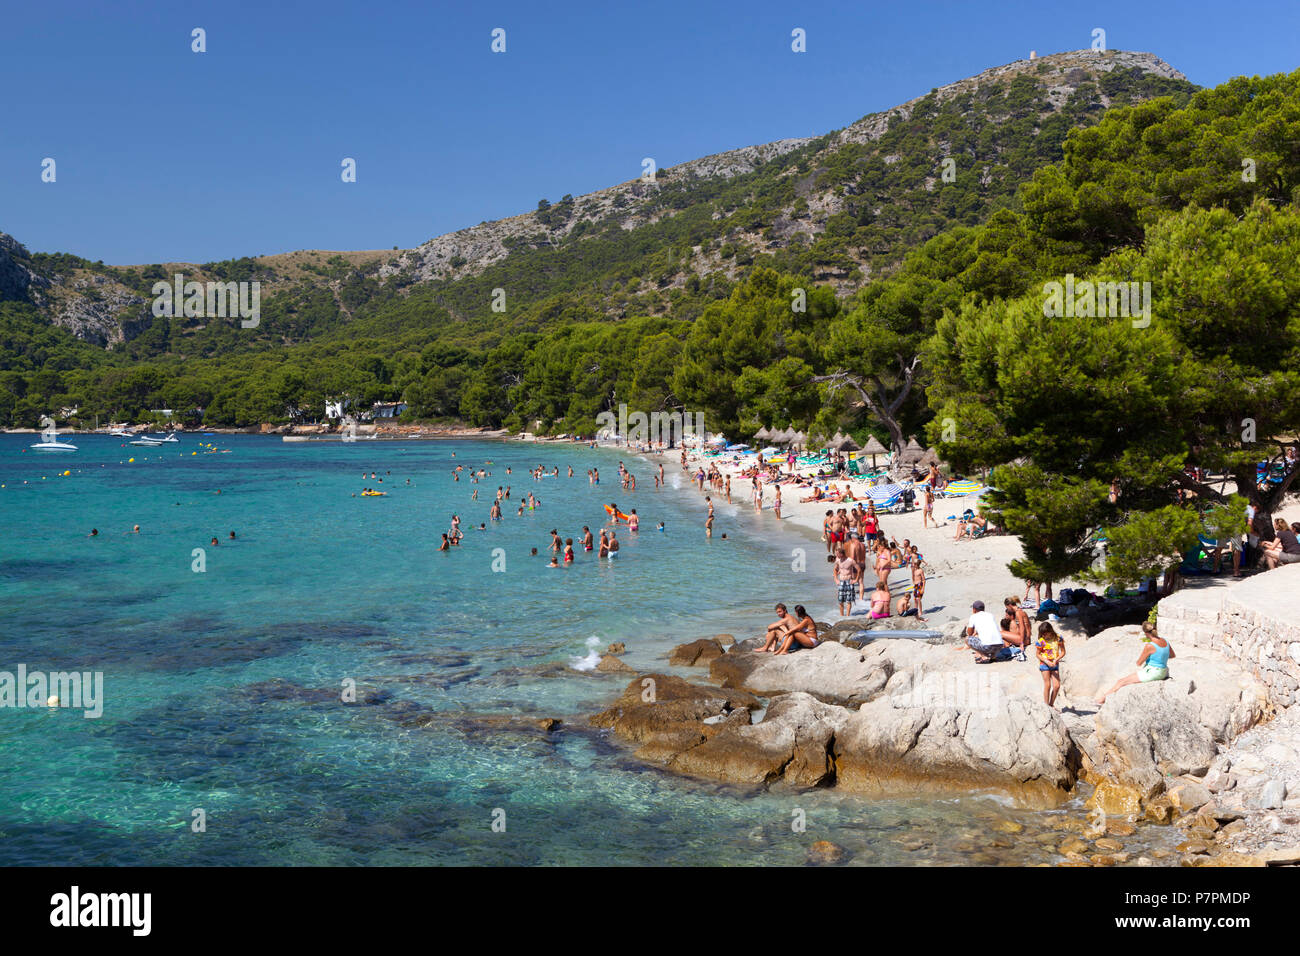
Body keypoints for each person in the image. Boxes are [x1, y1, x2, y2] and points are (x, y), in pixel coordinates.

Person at [1096, 621, 1174, 705]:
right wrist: (1159, 657)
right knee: (1122, 681)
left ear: (1146, 633)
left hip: (1153, 672)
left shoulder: (1150, 645)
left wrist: (1150, 656)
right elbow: (1172, 655)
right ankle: (1102, 699)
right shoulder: (1165, 641)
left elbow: (1139, 663)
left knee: (1121, 682)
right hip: (1164, 671)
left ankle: (1101, 700)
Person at [1035, 622, 1066, 707]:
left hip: (1054, 663)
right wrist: (1046, 661)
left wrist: (1056, 659)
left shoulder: (1058, 639)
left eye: (1045, 634)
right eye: (1042, 634)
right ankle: (1046, 706)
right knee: (1047, 685)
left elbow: (1063, 652)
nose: (1044, 636)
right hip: (1044, 663)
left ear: (1050, 631)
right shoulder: (1041, 641)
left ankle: (1051, 704)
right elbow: (1037, 654)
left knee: (1056, 686)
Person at [832, 547, 860, 616]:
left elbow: (859, 570)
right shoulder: (838, 560)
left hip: (849, 581)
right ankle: (841, 616)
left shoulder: (850, 561)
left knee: (848, 600)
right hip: (841, 581)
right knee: (840, 600)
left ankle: (847, 616)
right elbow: (835, 570)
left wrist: (856, 580)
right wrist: (836, 579)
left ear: (842, 554)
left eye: (837, 554)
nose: (836, 555)